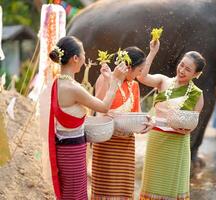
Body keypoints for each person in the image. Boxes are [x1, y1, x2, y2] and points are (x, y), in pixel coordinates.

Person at [48, 36, 127, 200]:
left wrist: (108, 80)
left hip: (66, 148)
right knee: (75, 194)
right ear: (75, 58)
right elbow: (103, 107)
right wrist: (115, 80)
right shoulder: (72, 88)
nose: (85, 59)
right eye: (83, 54)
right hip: (71, 151)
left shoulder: (58, 83)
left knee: (71, 192)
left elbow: (92, 104)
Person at [137, 43, 205, 200]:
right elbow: (142, 77)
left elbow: (193, 122)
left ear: (196, 74)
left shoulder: (197, 94)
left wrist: (188, 130)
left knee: (172, 185)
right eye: (182, 65)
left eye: (188, 69)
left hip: (178, 143)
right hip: (157, 139)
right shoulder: (162, 81)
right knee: (153, 183)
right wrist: (153, 52)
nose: (182, 70)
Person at [91, 43, 158, 199]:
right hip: (106, 143)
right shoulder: (105, 78)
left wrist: (147, 123)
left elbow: (137, 115)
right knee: (106, 188)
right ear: (128, 67)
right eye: (139, 70)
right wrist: (111, 80)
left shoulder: (134, 85)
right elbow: (98, 109)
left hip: (126, 144)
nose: (139, 74)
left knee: (123, 189)